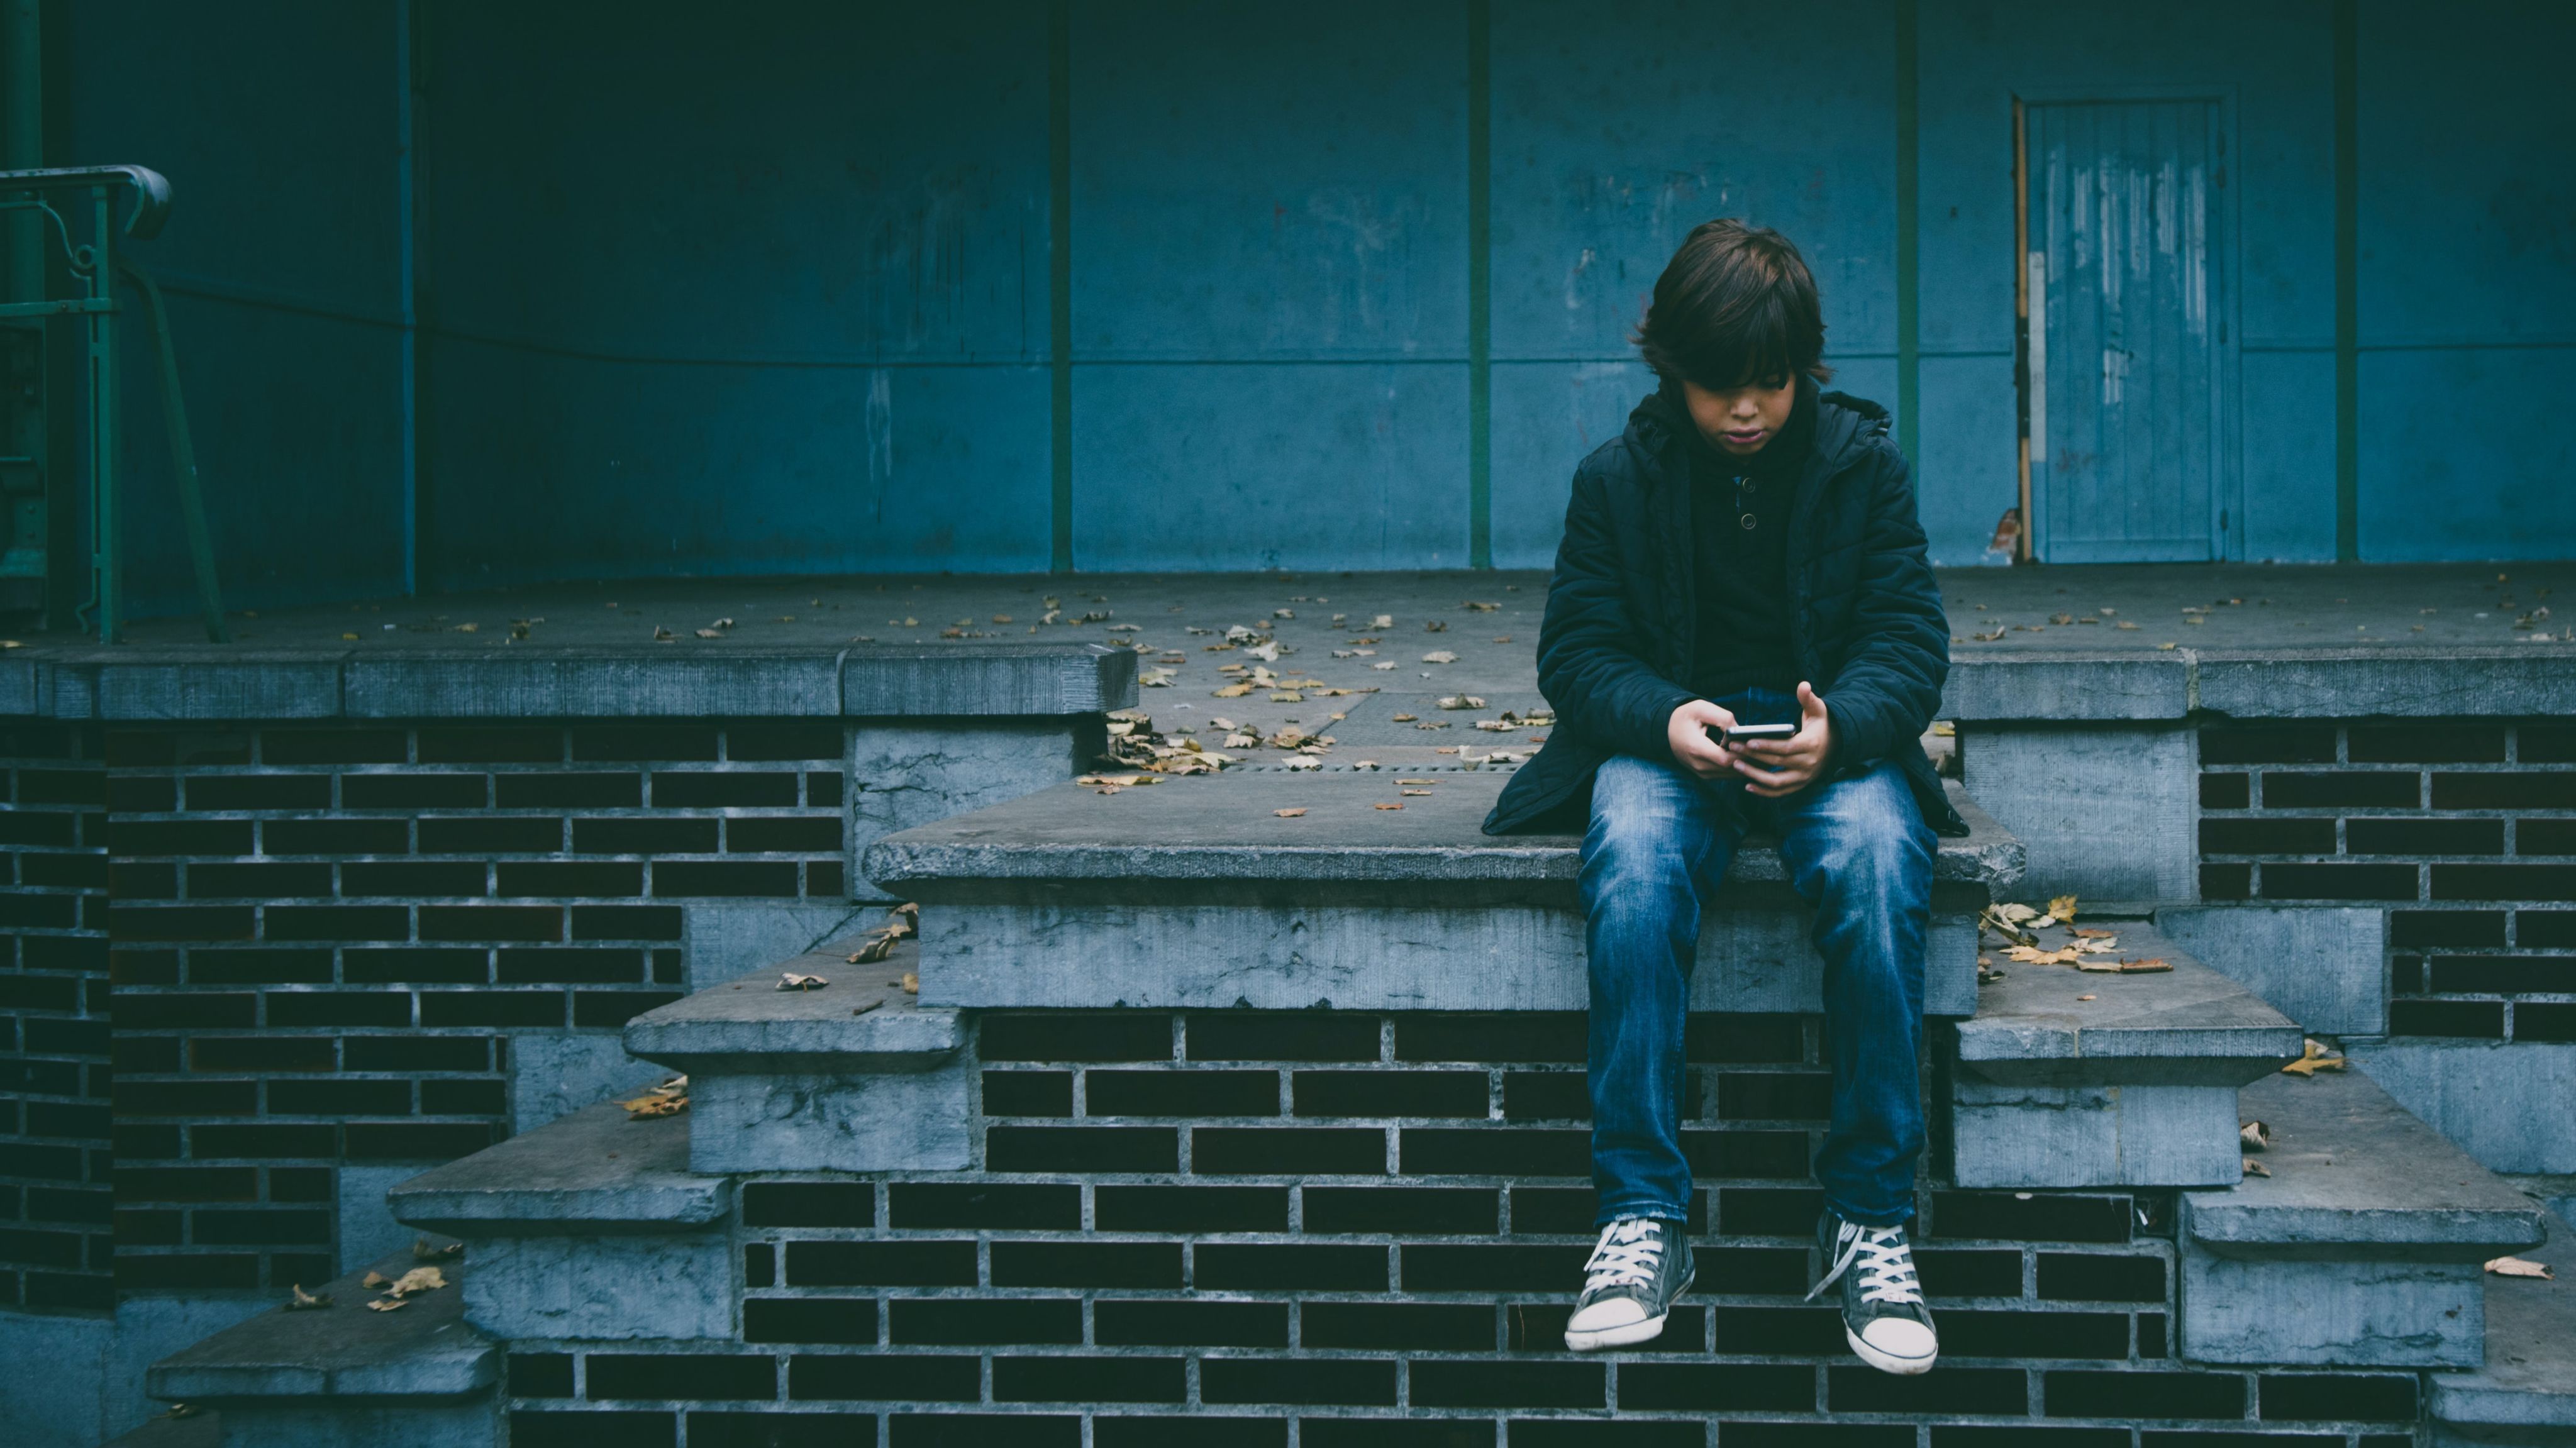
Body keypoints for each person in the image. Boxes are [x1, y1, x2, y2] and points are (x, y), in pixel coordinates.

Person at [1482, 218, 1965, 1376]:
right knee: (1635, 858)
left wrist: (1840, 729)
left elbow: (1910, 637)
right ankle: (1639, 1217)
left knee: (1879, 861)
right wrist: (1660, 718)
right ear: (1671, 369)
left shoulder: (1862, 466)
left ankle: (1870, 1220)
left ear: (1804, 371)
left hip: (1829, 744)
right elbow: (1578, 649)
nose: (1745, 410)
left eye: (1770, 384)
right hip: (1670, 741)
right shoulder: (1617, 478)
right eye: (1718, 387)